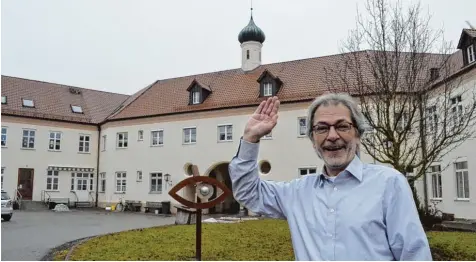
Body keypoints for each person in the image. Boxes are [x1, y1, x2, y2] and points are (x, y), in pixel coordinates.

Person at [228, 93, 432, 261]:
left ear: (358, 135)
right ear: (312, 139)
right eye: (322, 128)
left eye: (342, 126)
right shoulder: (297, 193)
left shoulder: (389, 183)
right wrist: (250, 138)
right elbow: (247, 192)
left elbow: (414, 254)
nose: (332, 136)